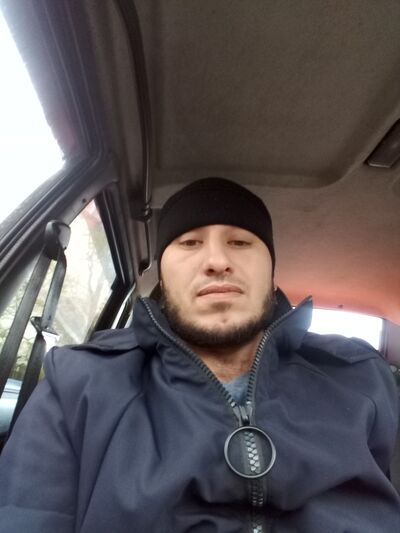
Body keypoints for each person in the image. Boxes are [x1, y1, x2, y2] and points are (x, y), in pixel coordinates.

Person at [0, 177, 399, 532]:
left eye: (240, 242)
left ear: (272, 273)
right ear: (162, 275)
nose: (217, 261)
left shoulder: (363, 377)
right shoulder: (78, 384)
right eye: (189, 243)